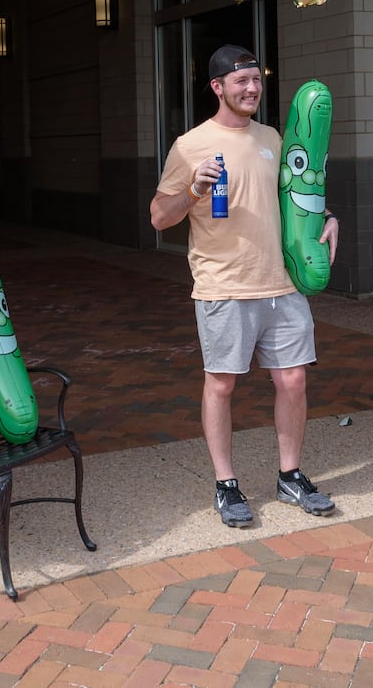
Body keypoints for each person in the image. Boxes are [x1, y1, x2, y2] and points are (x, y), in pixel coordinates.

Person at [150, 45, 340, 529]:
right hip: (224, 286)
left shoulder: (272, 137)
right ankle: (226, 484)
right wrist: (194, 188)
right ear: (217, 87)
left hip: (281, 282)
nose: (252, 88)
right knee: (222, 384)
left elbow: (294, 195)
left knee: (293, 380)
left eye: (257, 80)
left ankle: (290, 475)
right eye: (241, 82)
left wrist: (327, 217)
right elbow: (158, 217)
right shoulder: (190, 145)